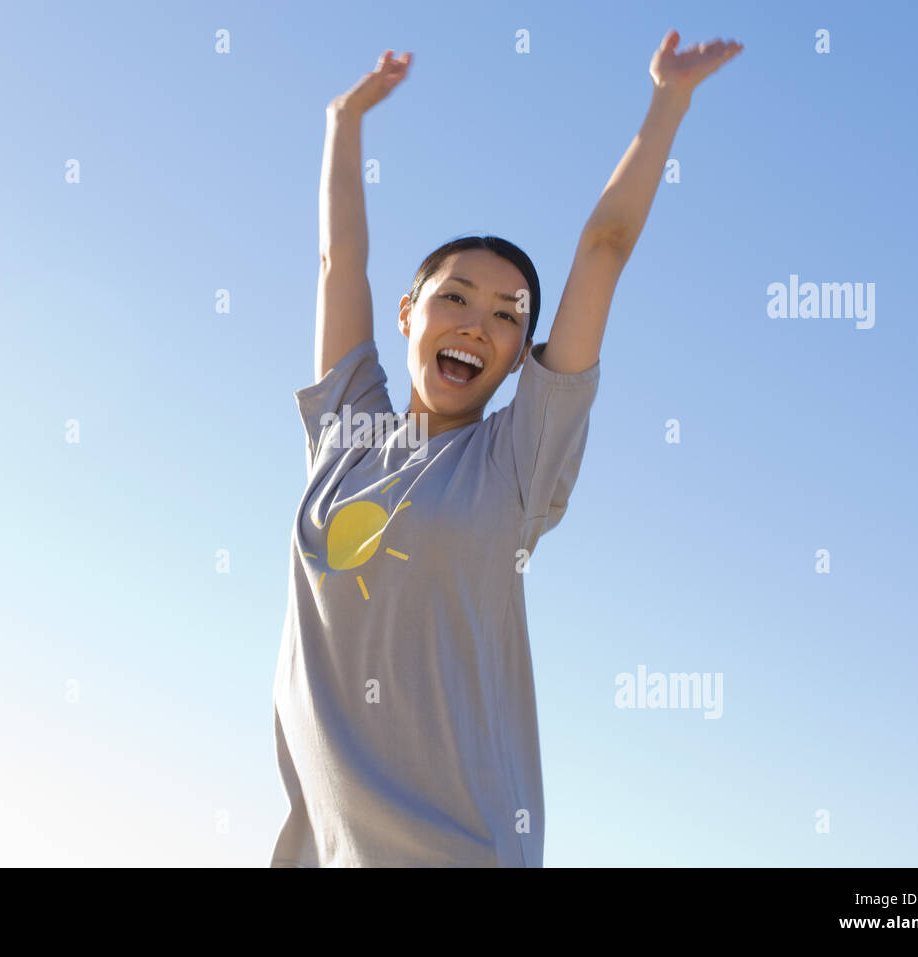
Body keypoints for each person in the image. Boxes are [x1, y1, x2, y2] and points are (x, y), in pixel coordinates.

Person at [271, 32, 743, 867]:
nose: (476, 321)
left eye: (506, 312)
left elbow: (604, 247)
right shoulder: (347, 435)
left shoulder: (514, 464)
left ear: (524, 350)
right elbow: (339, 257)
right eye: (454, 297)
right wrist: (343, 119)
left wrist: (668, 101)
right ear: (409, 313)